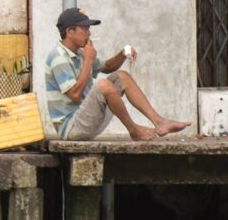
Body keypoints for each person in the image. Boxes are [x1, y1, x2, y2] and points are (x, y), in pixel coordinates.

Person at [45, 8, 189, 141]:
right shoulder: (58, 57)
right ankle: (133, 129)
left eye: (89, 28)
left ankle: (160, 122)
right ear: (70, 31)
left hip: (87, 120)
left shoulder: (81, 53)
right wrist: (88, 60)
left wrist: (123, 53)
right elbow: (75, 95)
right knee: (103, 86)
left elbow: (106, 67)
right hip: (72, 129)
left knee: (122, 76)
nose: (89, 33)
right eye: (84, 28)